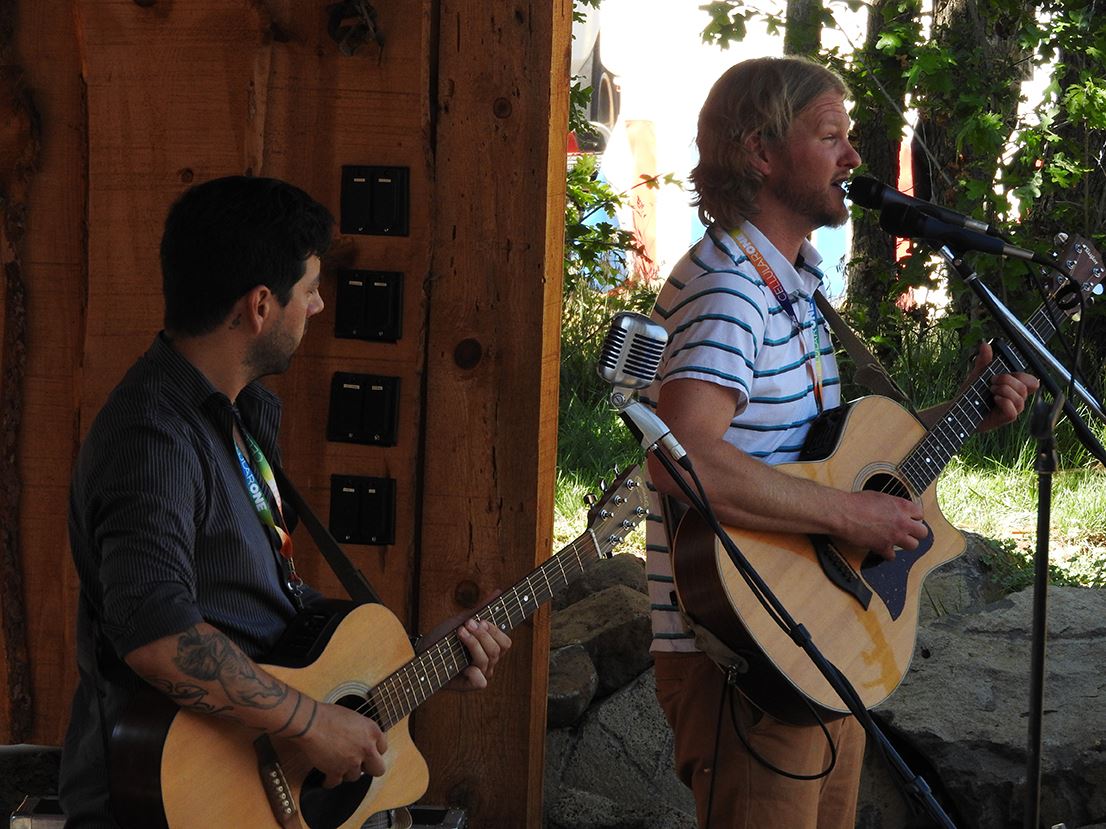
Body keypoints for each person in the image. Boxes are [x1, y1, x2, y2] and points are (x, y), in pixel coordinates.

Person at [642, 56, 1038, 828]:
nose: (854, 158)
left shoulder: (790, 283)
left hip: (820, 637)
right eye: (831, 136)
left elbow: (819, 452)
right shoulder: (730, 288)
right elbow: (679, 457)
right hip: (746, 649)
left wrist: (962, 410)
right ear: (761, 153)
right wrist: (847, 517)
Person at [58, 176, 511, 828]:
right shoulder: (151, 438)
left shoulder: (239, 419)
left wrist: (417, 660)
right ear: (260, 306)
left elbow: (267, 631)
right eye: (309, 290)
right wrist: (308, 721)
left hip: (257, 775)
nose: (320, 306)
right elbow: (159, 639)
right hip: (166, 798)